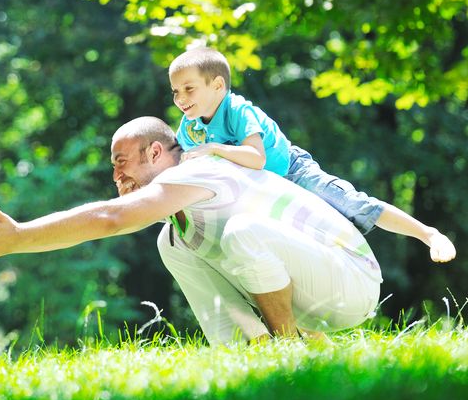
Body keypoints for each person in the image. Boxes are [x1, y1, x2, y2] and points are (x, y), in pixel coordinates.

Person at [0, 117, 456, 345]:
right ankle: (253, 356)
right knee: (172, 243)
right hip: (306, 285)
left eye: (123, 163)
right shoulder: (176, 215)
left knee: (244, 230)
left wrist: (19, 236)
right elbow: (122, 214)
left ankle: (287, 345)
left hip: (352, 279)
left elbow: (110, 219)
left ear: (157, 152)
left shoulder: (196, 170)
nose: (117, 179)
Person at [168, 47, 455, 262]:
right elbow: (180, 161)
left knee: (351, 204)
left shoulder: (238, 111)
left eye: (189, 89)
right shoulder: (189, 128)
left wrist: (215, 149)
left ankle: (428, 234)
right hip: (255, 190)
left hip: (291, 172)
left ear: (218, 85)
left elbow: (257, 158)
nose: (180, 99)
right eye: (175, 92)